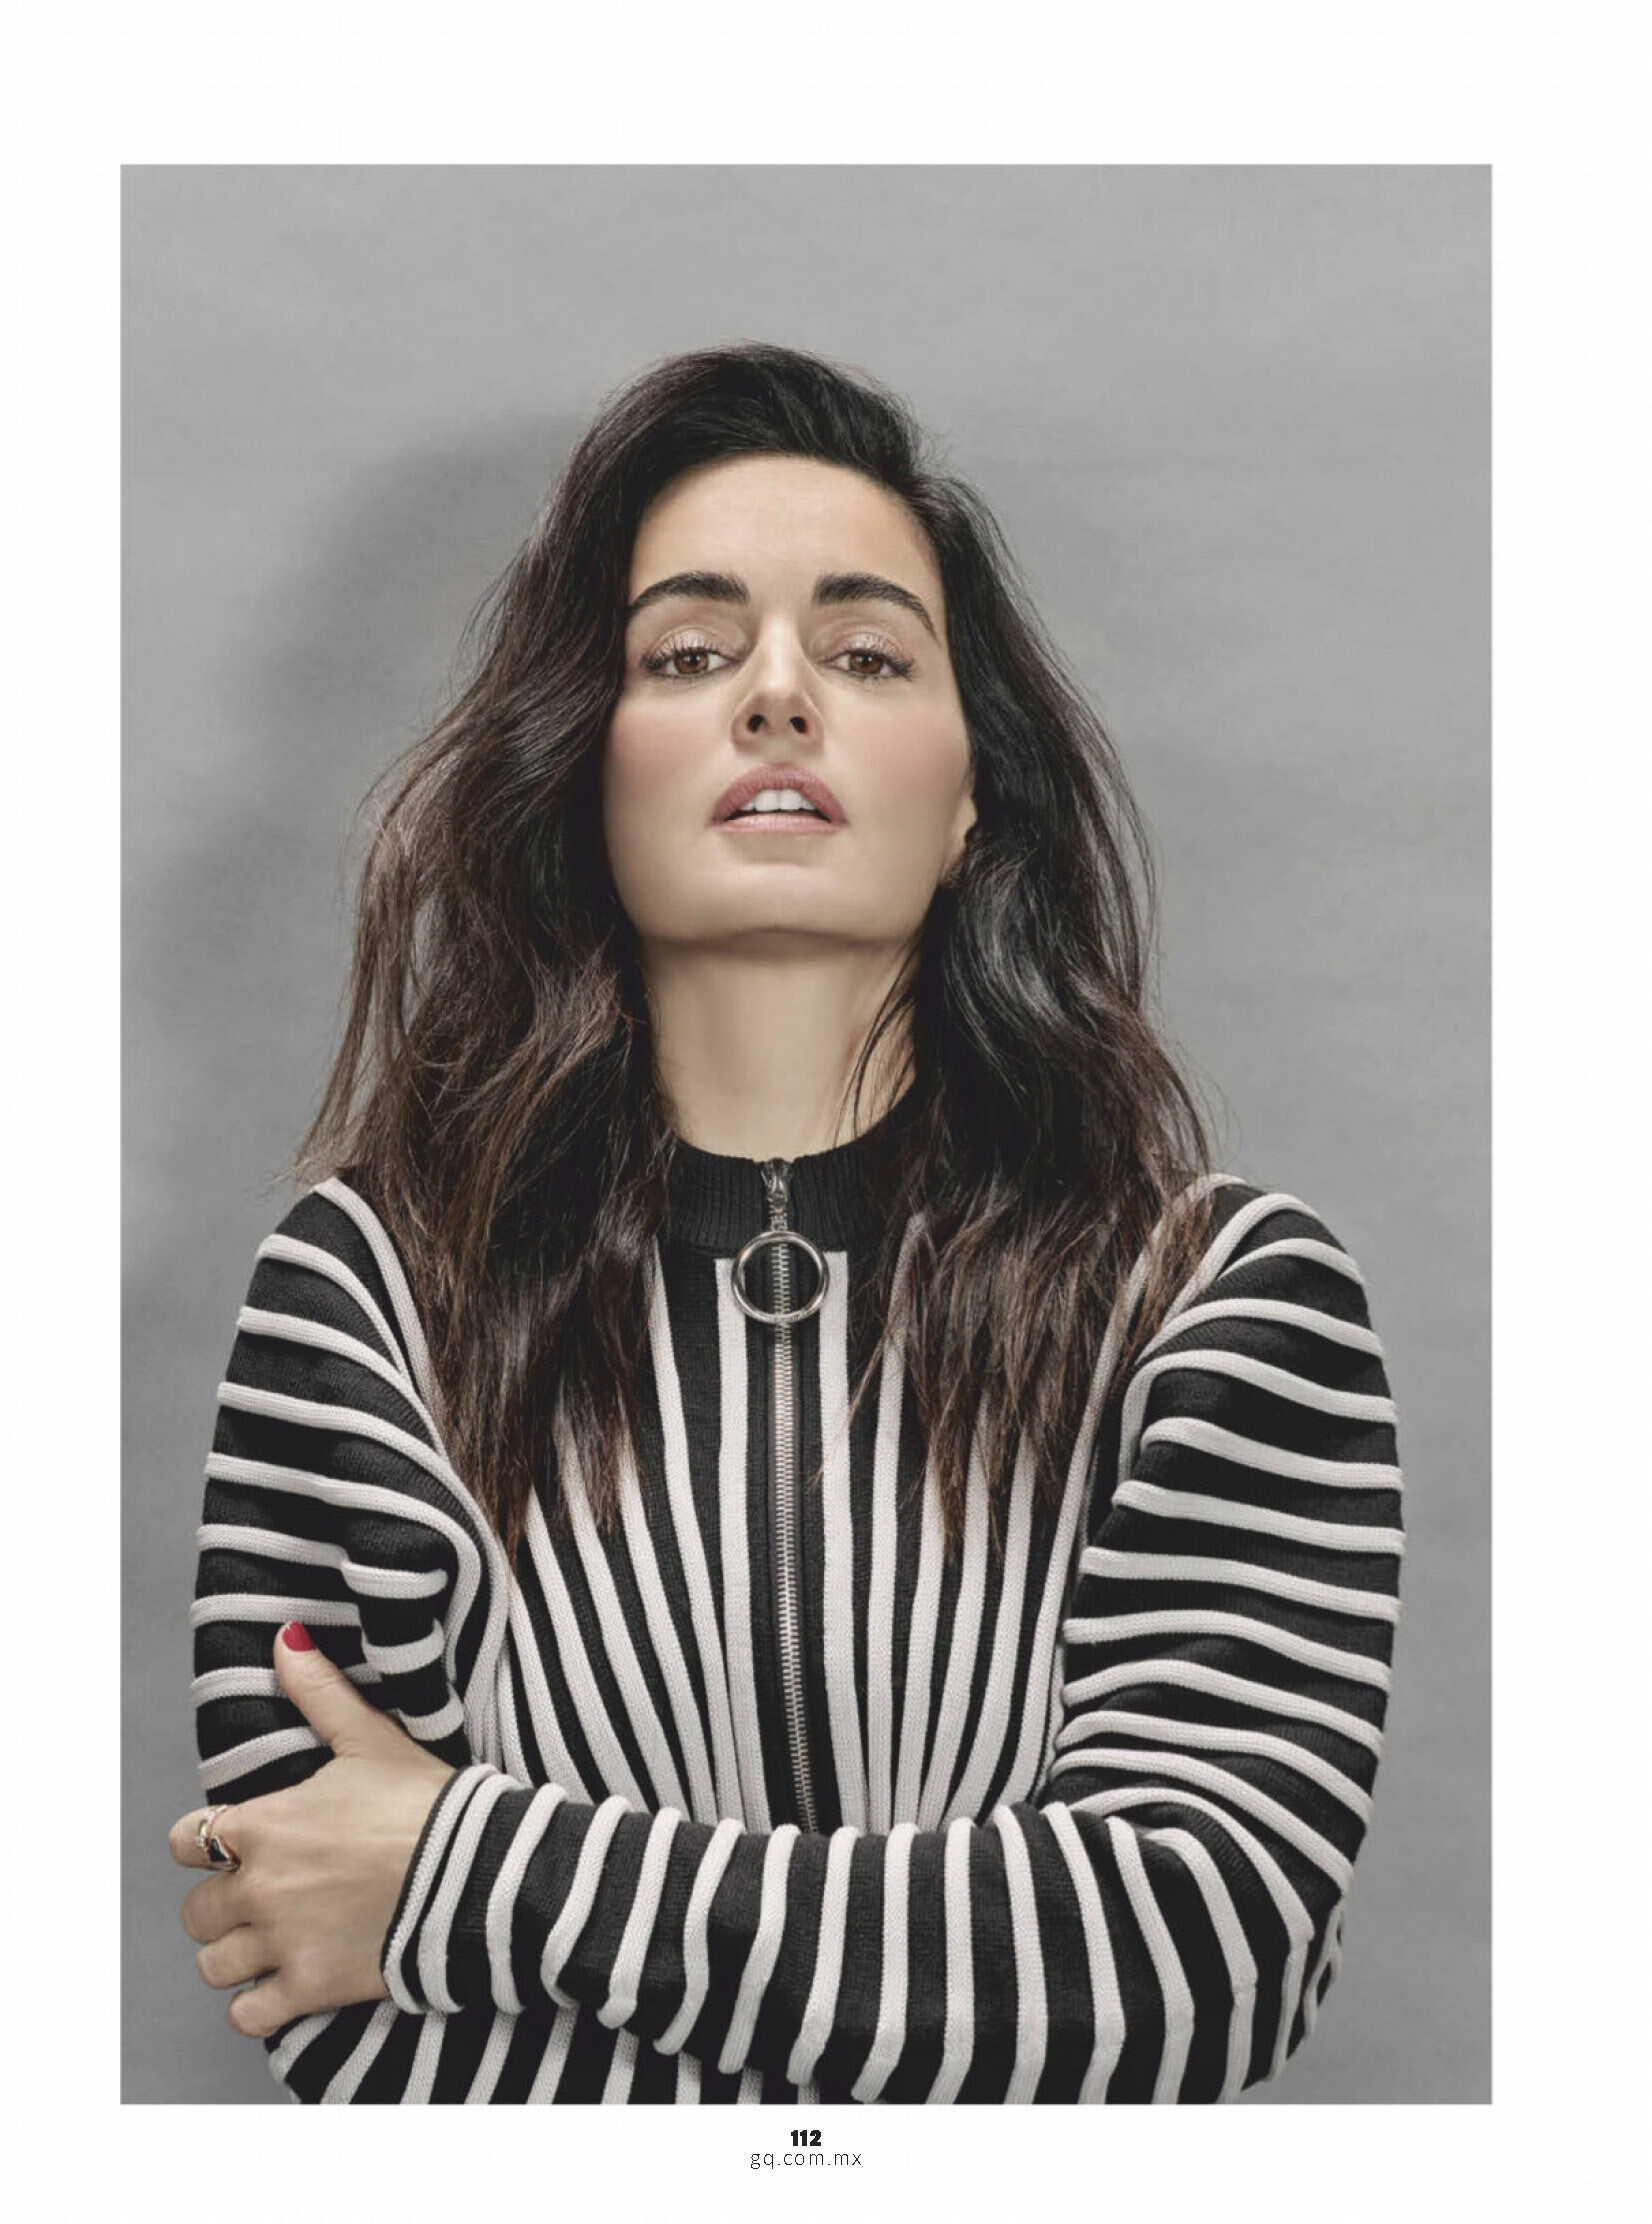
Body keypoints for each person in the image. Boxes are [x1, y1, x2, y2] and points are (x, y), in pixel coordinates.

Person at [168, 340, 1404, 2105]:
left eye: (867, 653)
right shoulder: (369, 1299)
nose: (775, 696)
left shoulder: (1215, 1303)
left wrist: (460, 1869)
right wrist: (943, 2000)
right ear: (584, 770)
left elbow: (1194, 1960)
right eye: (686, 653)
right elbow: (322, 1975)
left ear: (971, 797)